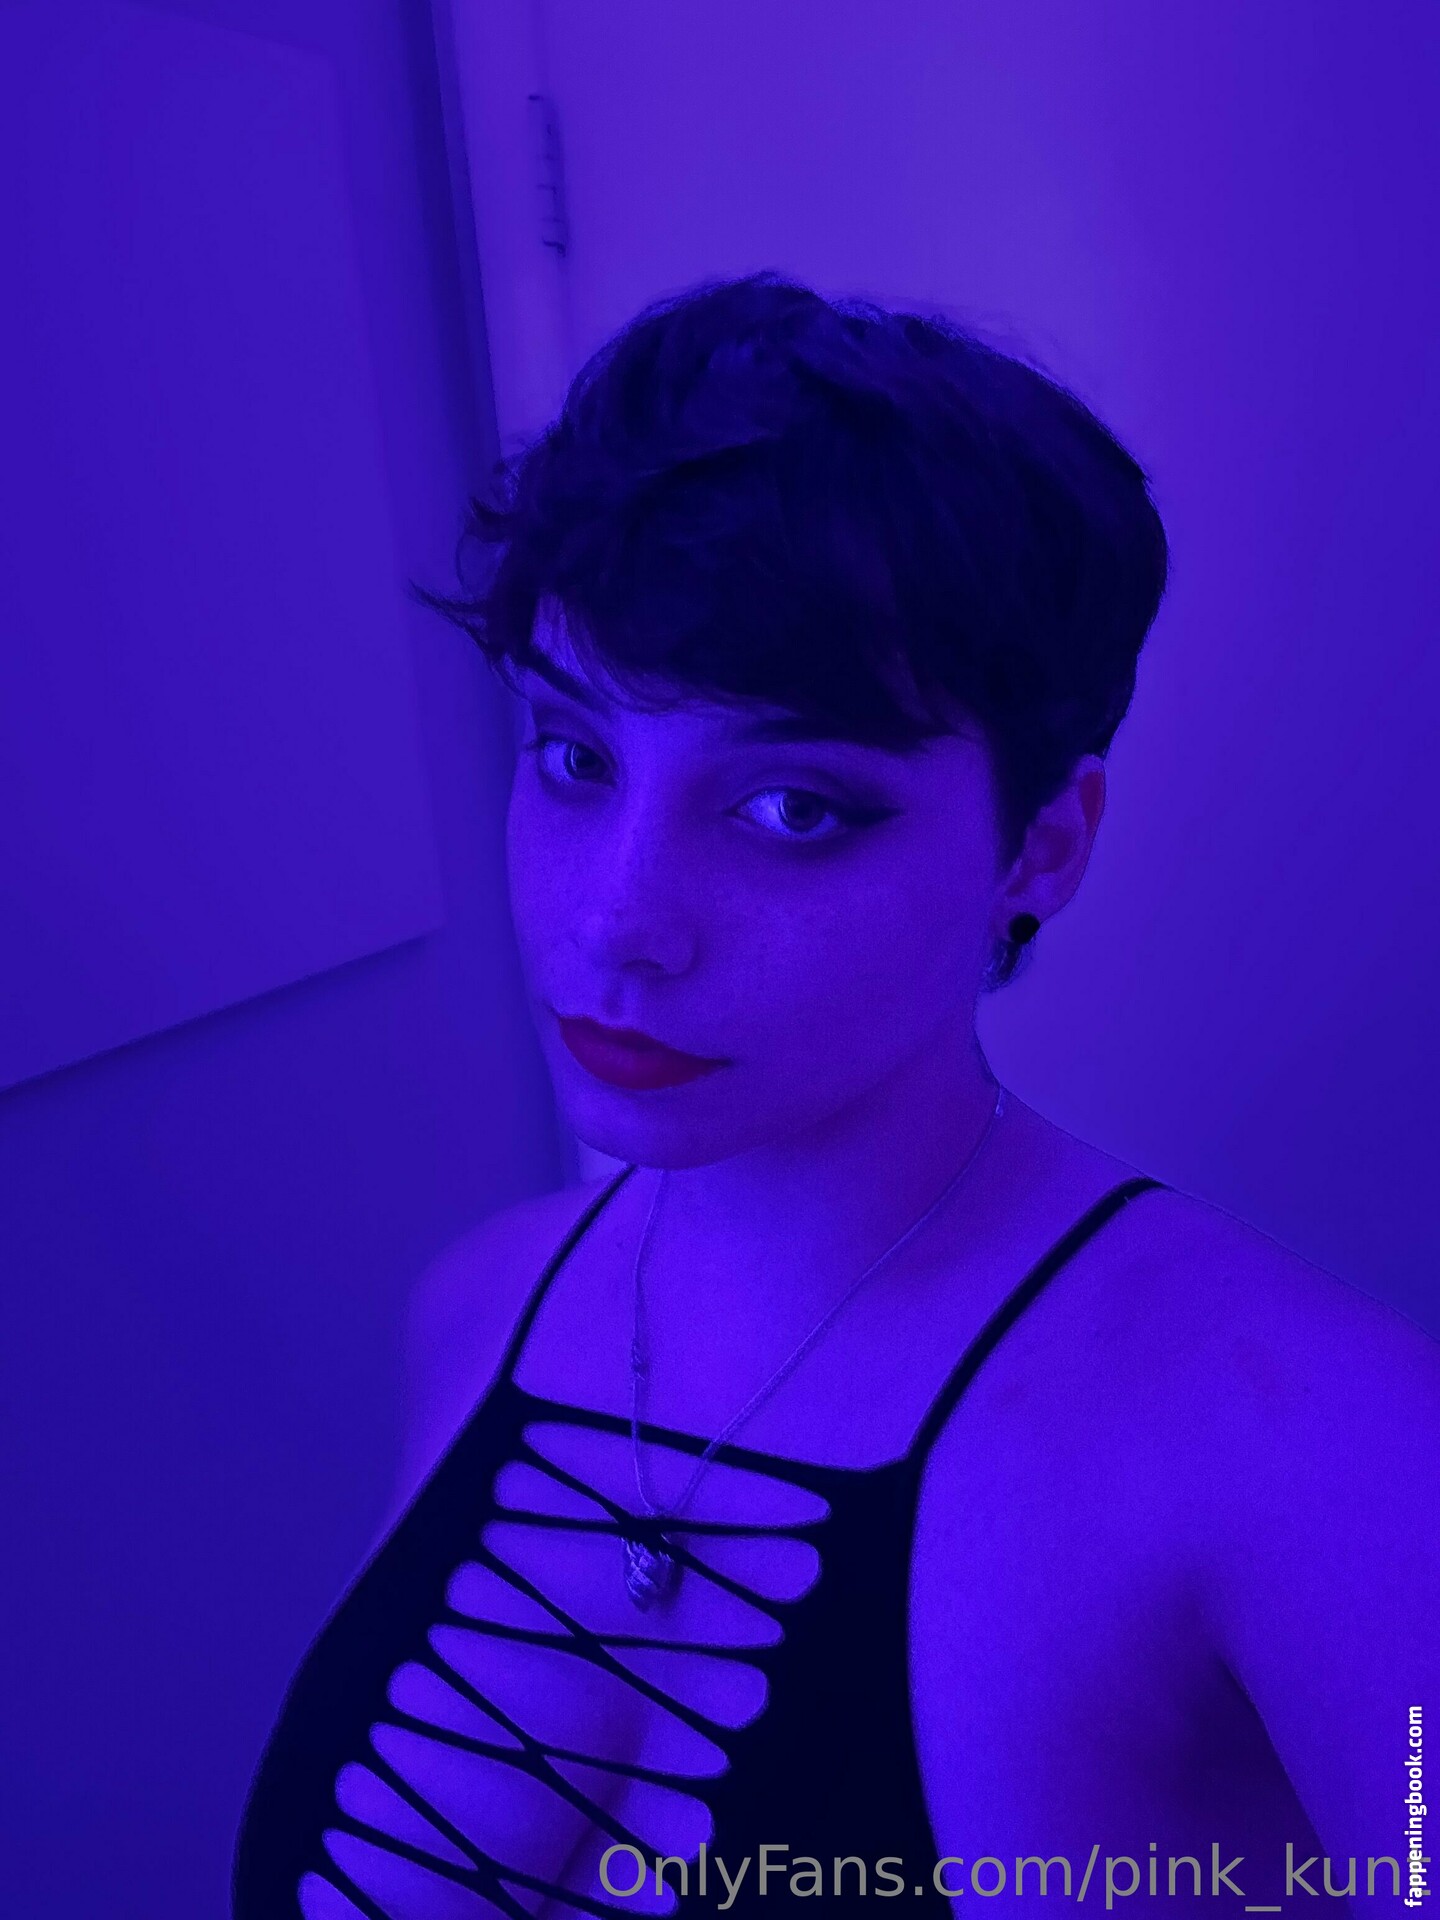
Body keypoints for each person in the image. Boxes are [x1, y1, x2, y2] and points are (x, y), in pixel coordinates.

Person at [233, 272, 1440, 1918]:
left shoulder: (1321, 1453)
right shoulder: (476, 1309)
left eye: (793, 807)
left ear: (1043, 847)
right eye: (576, 757)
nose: (619, 924)